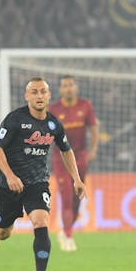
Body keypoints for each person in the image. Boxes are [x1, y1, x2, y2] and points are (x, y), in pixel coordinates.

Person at [0, 77, 86, 271]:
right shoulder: (15, 119)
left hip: (37, 183)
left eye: (43, 92)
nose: (39, 96)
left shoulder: (53, 124)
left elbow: (66, 150)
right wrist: (10, 175)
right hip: (9, 184)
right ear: (27, 96)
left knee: (41, 222)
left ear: (49, 95)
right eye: (34, 92)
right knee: (4, 232)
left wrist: (76, 179)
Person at [48, 76, 99, 251]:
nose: (68, 88)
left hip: (80, 157)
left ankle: (66, 230)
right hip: (61, 158)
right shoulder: (53, 109)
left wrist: (92, 150)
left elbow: (93, 129)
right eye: (64, 86)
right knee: (66, 195)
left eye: (71, 85)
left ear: (76, 88)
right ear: (60, 90)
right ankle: (68, 236)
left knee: (78, 197)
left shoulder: (85, 105)